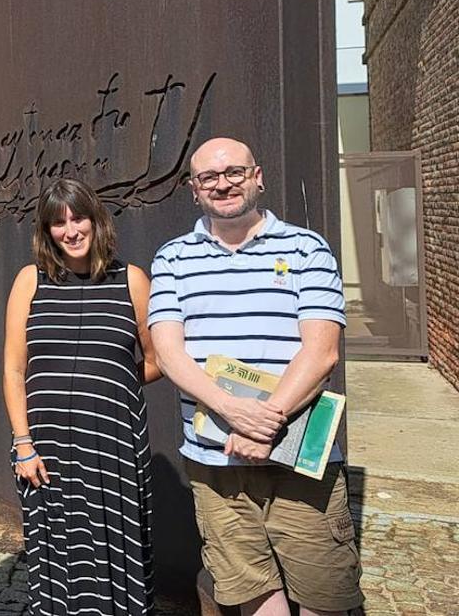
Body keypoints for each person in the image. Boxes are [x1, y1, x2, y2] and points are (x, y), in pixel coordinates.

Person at [148, 137, 362, 616]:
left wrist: (265, 422)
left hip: (299, 455)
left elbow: (322, 351)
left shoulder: (308, 248)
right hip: (213, 461)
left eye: (235, 172)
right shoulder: (172, 259)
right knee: (253, 595)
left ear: (258, 177)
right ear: (193, 189)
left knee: (322, 596)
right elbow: (169, 352)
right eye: (209, 178)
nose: (223, 184)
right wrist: (233, 411)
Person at [2, 177, 160, 615]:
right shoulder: (29, 281)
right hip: (46, 452)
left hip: (113, 449)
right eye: (58, 222)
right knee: (58, 559)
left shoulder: (131, 280)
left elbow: (157, 360)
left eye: (78, 218)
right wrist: (22, 443)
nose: (70, 230)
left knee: (117, 555)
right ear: (46, 231)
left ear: (96, 220)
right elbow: (14, 370)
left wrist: (107, 384)